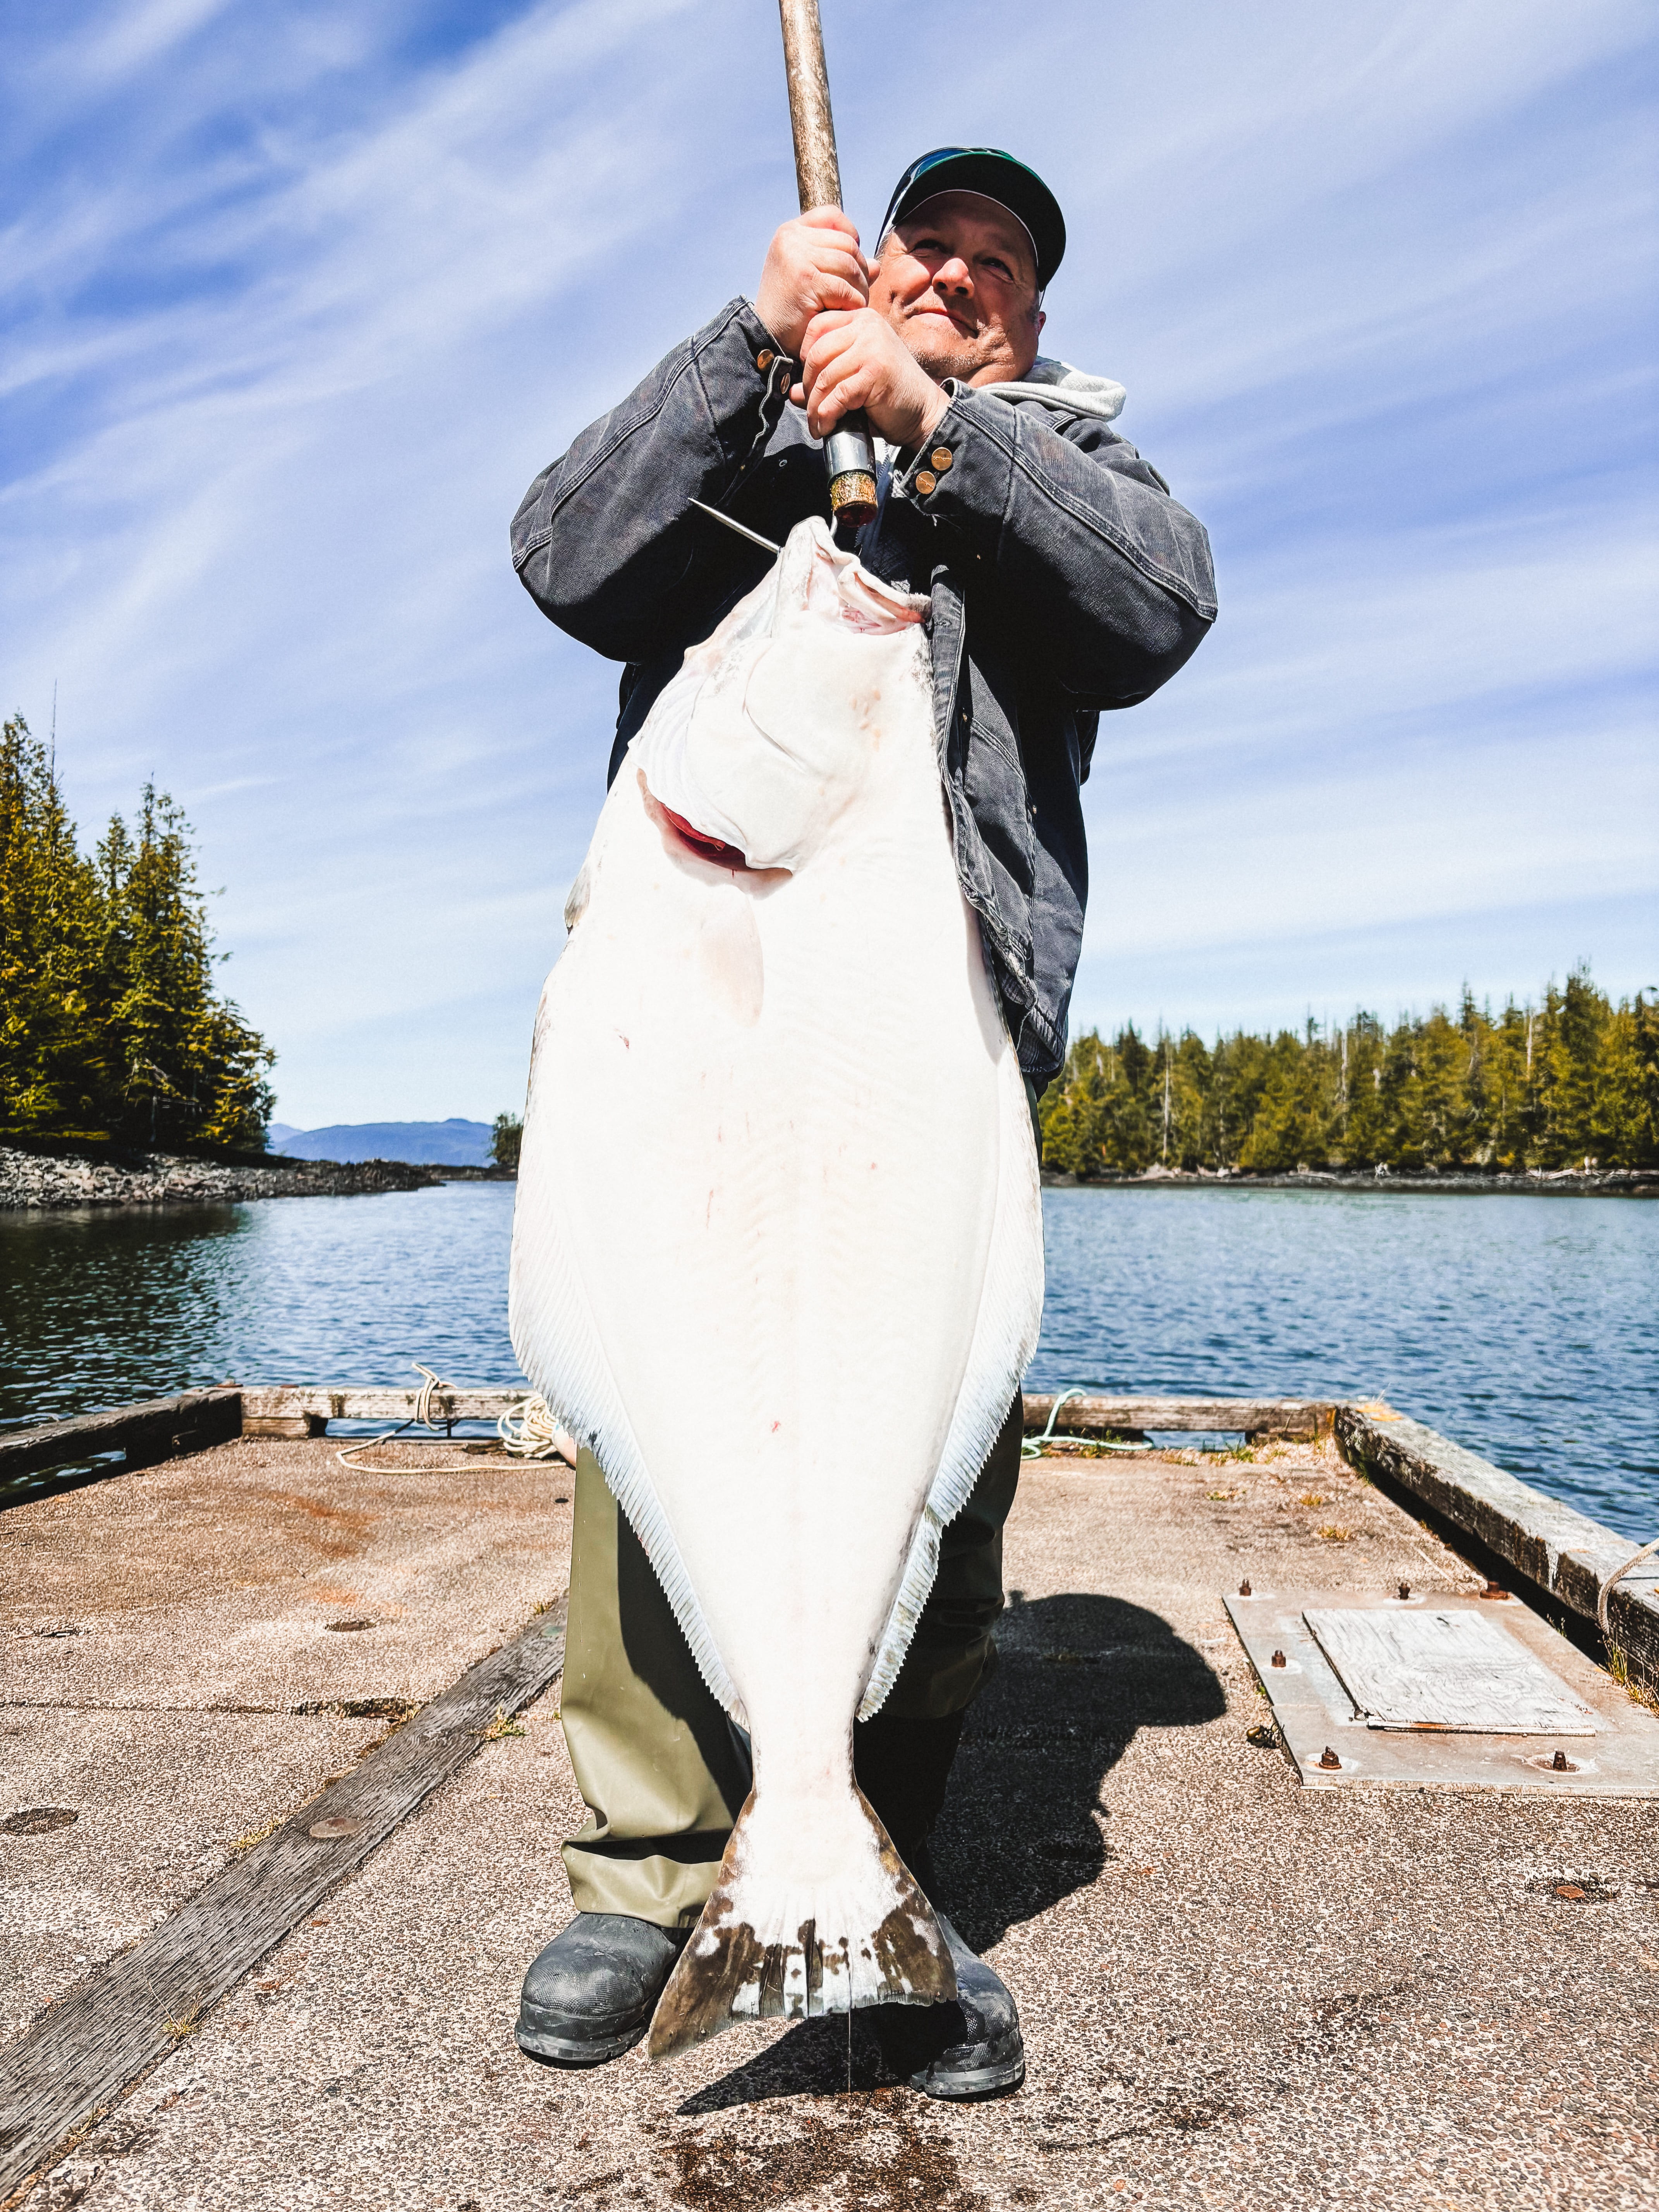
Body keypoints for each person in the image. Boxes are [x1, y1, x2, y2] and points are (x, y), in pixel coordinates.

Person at [508, 146, 1215, 2097]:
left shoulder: (1080, 482)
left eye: (1006, 268)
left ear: (1037, 324)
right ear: (866, 261)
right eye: (934, 248)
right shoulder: (749, 433)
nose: (966, 279)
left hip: (926, 1042)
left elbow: (1157, 613)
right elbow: (570, 558)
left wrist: (945, 438)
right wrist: (756, 347)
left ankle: (854, 1853)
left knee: (926, 1468)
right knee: (660, 1438)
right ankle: (648, 1872)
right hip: (702, 1029)